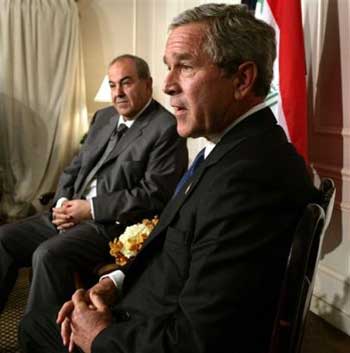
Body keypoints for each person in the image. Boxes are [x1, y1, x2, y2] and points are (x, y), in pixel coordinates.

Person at [19, 4, 321, 353]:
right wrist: (115, 282)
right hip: (143, 304)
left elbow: (200, 340)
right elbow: (172, 246)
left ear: (242, 79)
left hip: (145, 331)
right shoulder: (231, 151)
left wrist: (101, 336)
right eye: (168, 67)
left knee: (36, 325)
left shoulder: (248, 179)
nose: (167, 85)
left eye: (185, 66)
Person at [0, 54, 188, 314]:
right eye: (112, 85)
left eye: (126, 83)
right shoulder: (103, 117)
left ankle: (41, 340)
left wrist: (90, 209)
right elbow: (75, 166)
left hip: (109, 225)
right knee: (3, 238)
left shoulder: (166, 128)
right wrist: (62, 203)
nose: (118, 93)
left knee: (47, 255)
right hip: (69, 213)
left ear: (148, 84)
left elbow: (153, 195)